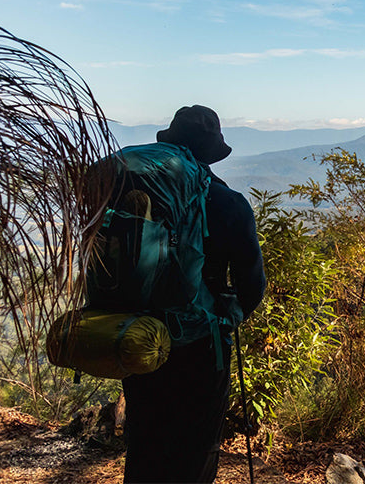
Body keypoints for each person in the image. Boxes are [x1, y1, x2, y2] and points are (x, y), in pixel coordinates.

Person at [121, 105, 267, 484]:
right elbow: (253, 286)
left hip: (141, 336)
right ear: (210, 152)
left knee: (144, 445)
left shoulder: (133, 194)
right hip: (202, 347)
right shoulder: (230, 204)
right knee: (195, 450)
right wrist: (228, 313)